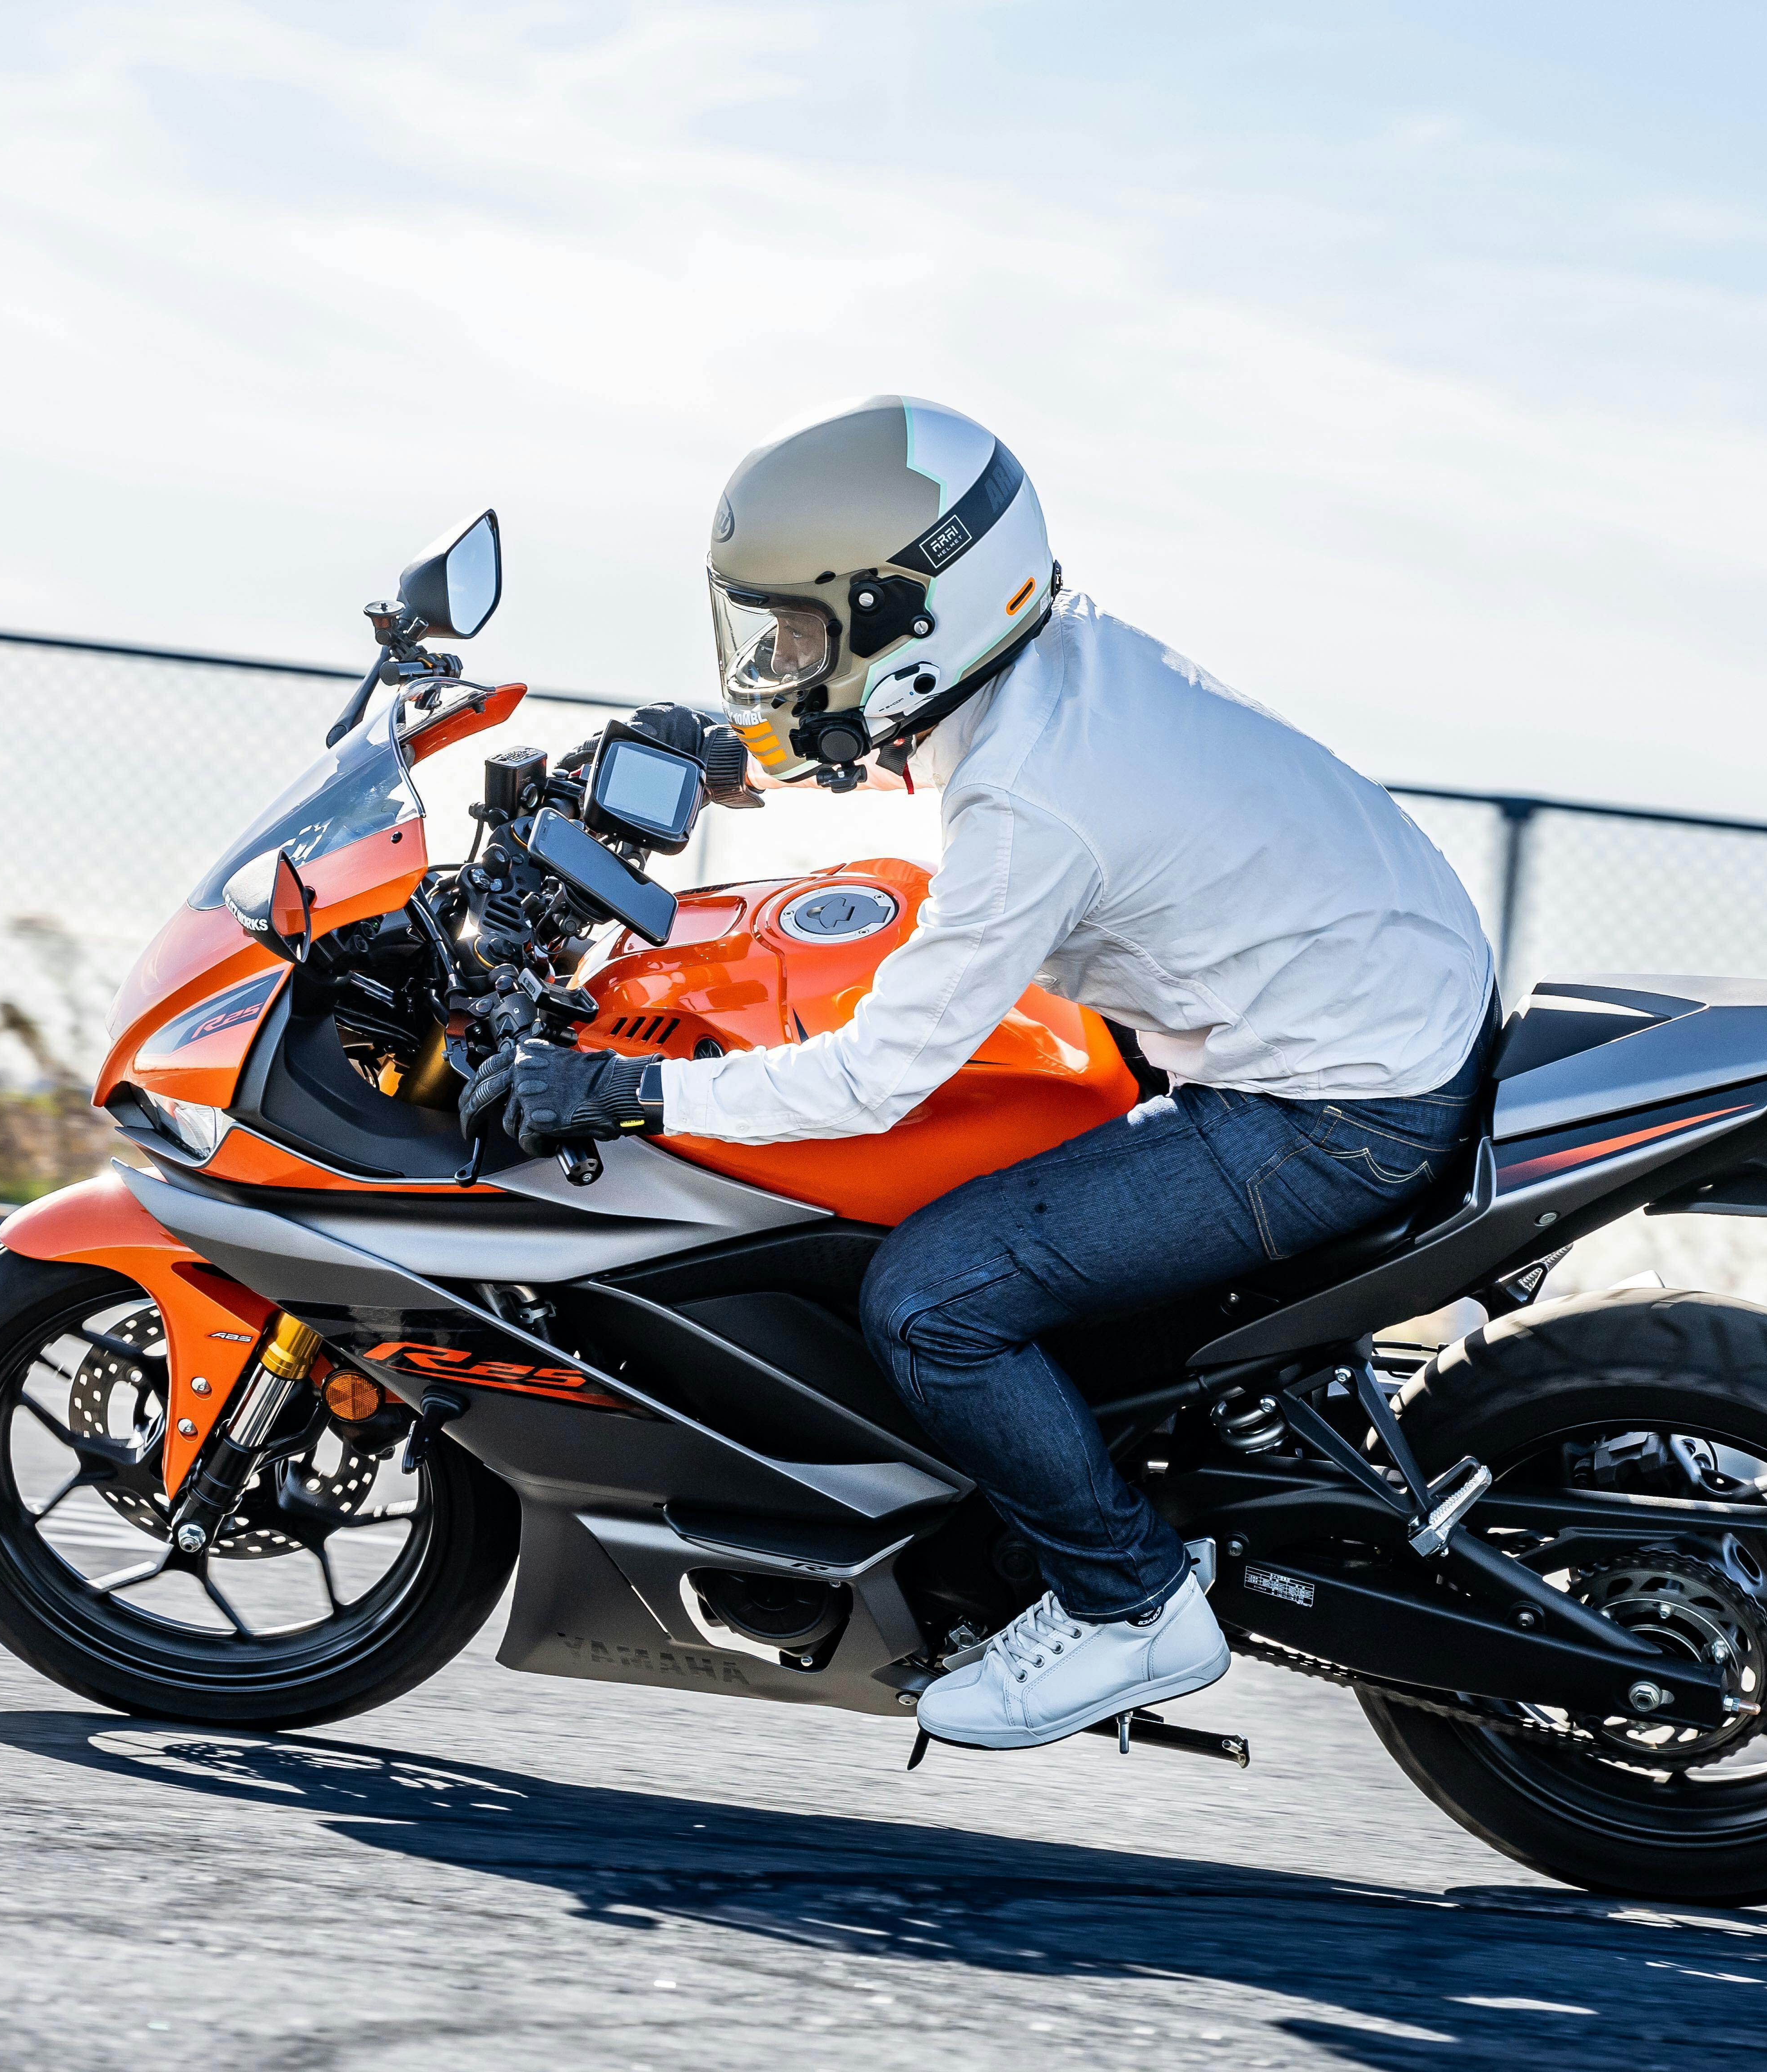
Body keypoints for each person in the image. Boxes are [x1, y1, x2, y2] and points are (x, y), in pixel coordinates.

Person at [472, 396, 1497, 1751]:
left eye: (798, 636)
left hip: (1339, 1105)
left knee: (932, 1302)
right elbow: (918, 745)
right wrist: (736, 751)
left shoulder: (1029, 804)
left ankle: (1129, 1601)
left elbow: (870, 1082)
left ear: (907, 614)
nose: (775, 666)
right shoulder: (1051, 670)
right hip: (1368, 998)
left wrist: (632, 1093)